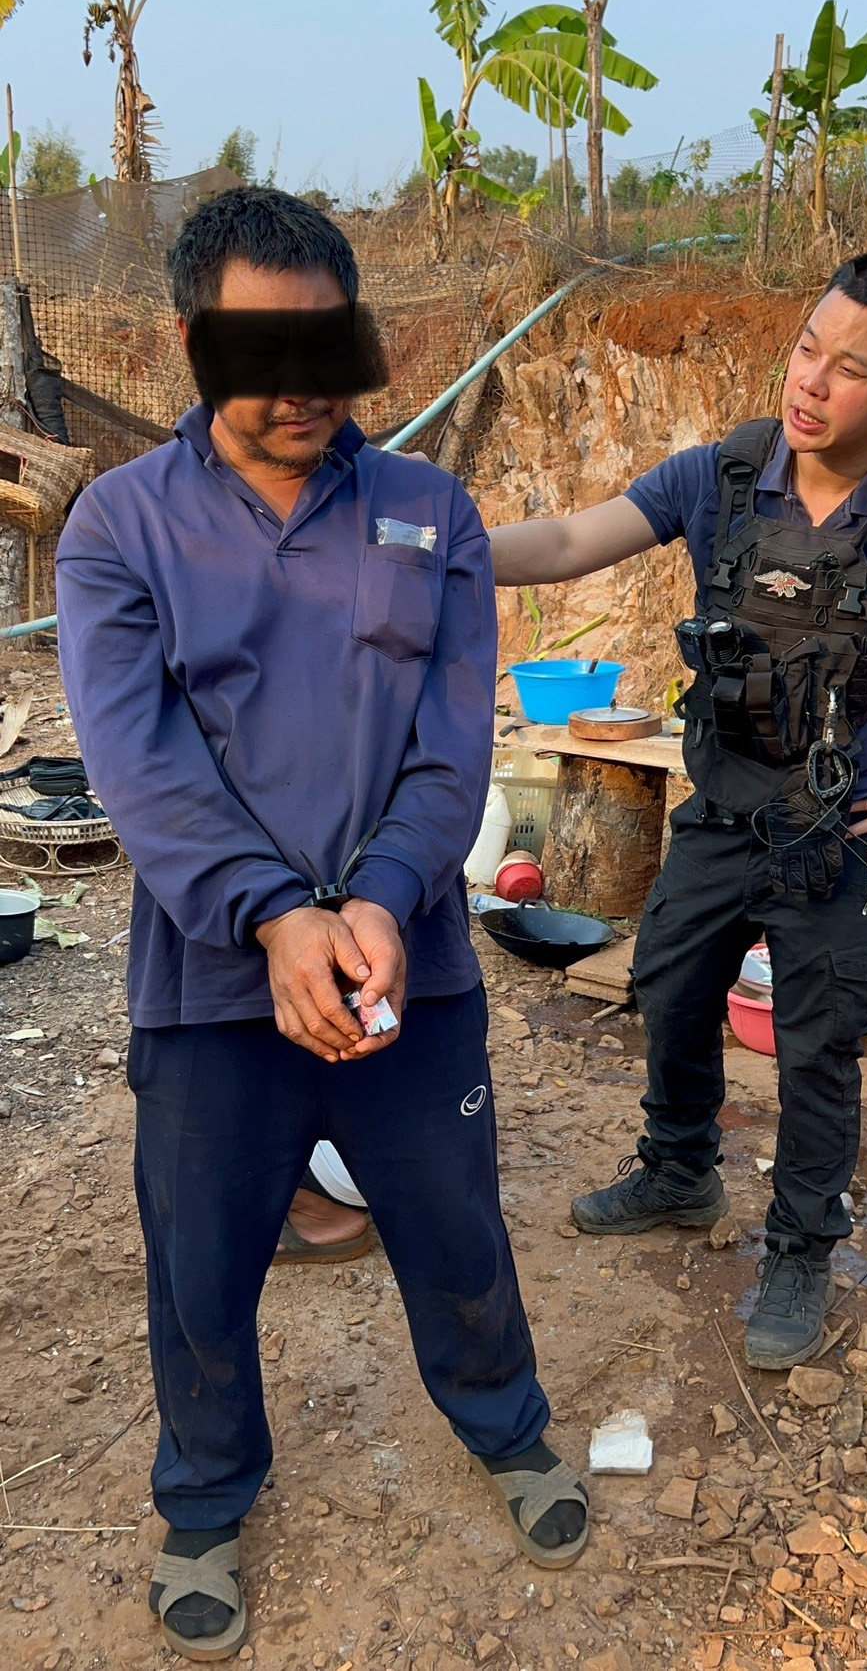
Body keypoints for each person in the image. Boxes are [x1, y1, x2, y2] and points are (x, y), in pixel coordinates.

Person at [56, 188, 587, 1664]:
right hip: (211, 984)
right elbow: (138, 761)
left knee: (455, 1221)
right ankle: (204, 1495)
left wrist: (375, 898)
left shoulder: (430, 513)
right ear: (193, 344)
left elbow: (451, 746)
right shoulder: (120, 526)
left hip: (409, 963)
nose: (300, 385)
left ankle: (508, 1425)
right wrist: (274, 916)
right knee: (202, 1259)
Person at [490, 249, 867, 1370]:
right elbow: (569, 542)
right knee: (669, 982)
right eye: (806, 348)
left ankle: (801, 1248)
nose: (811, 383)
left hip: (842, 830)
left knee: (818, 1046)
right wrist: (437, 551)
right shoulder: (723, 476)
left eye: (850, 370)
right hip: (725, 804)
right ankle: (680, 1170)